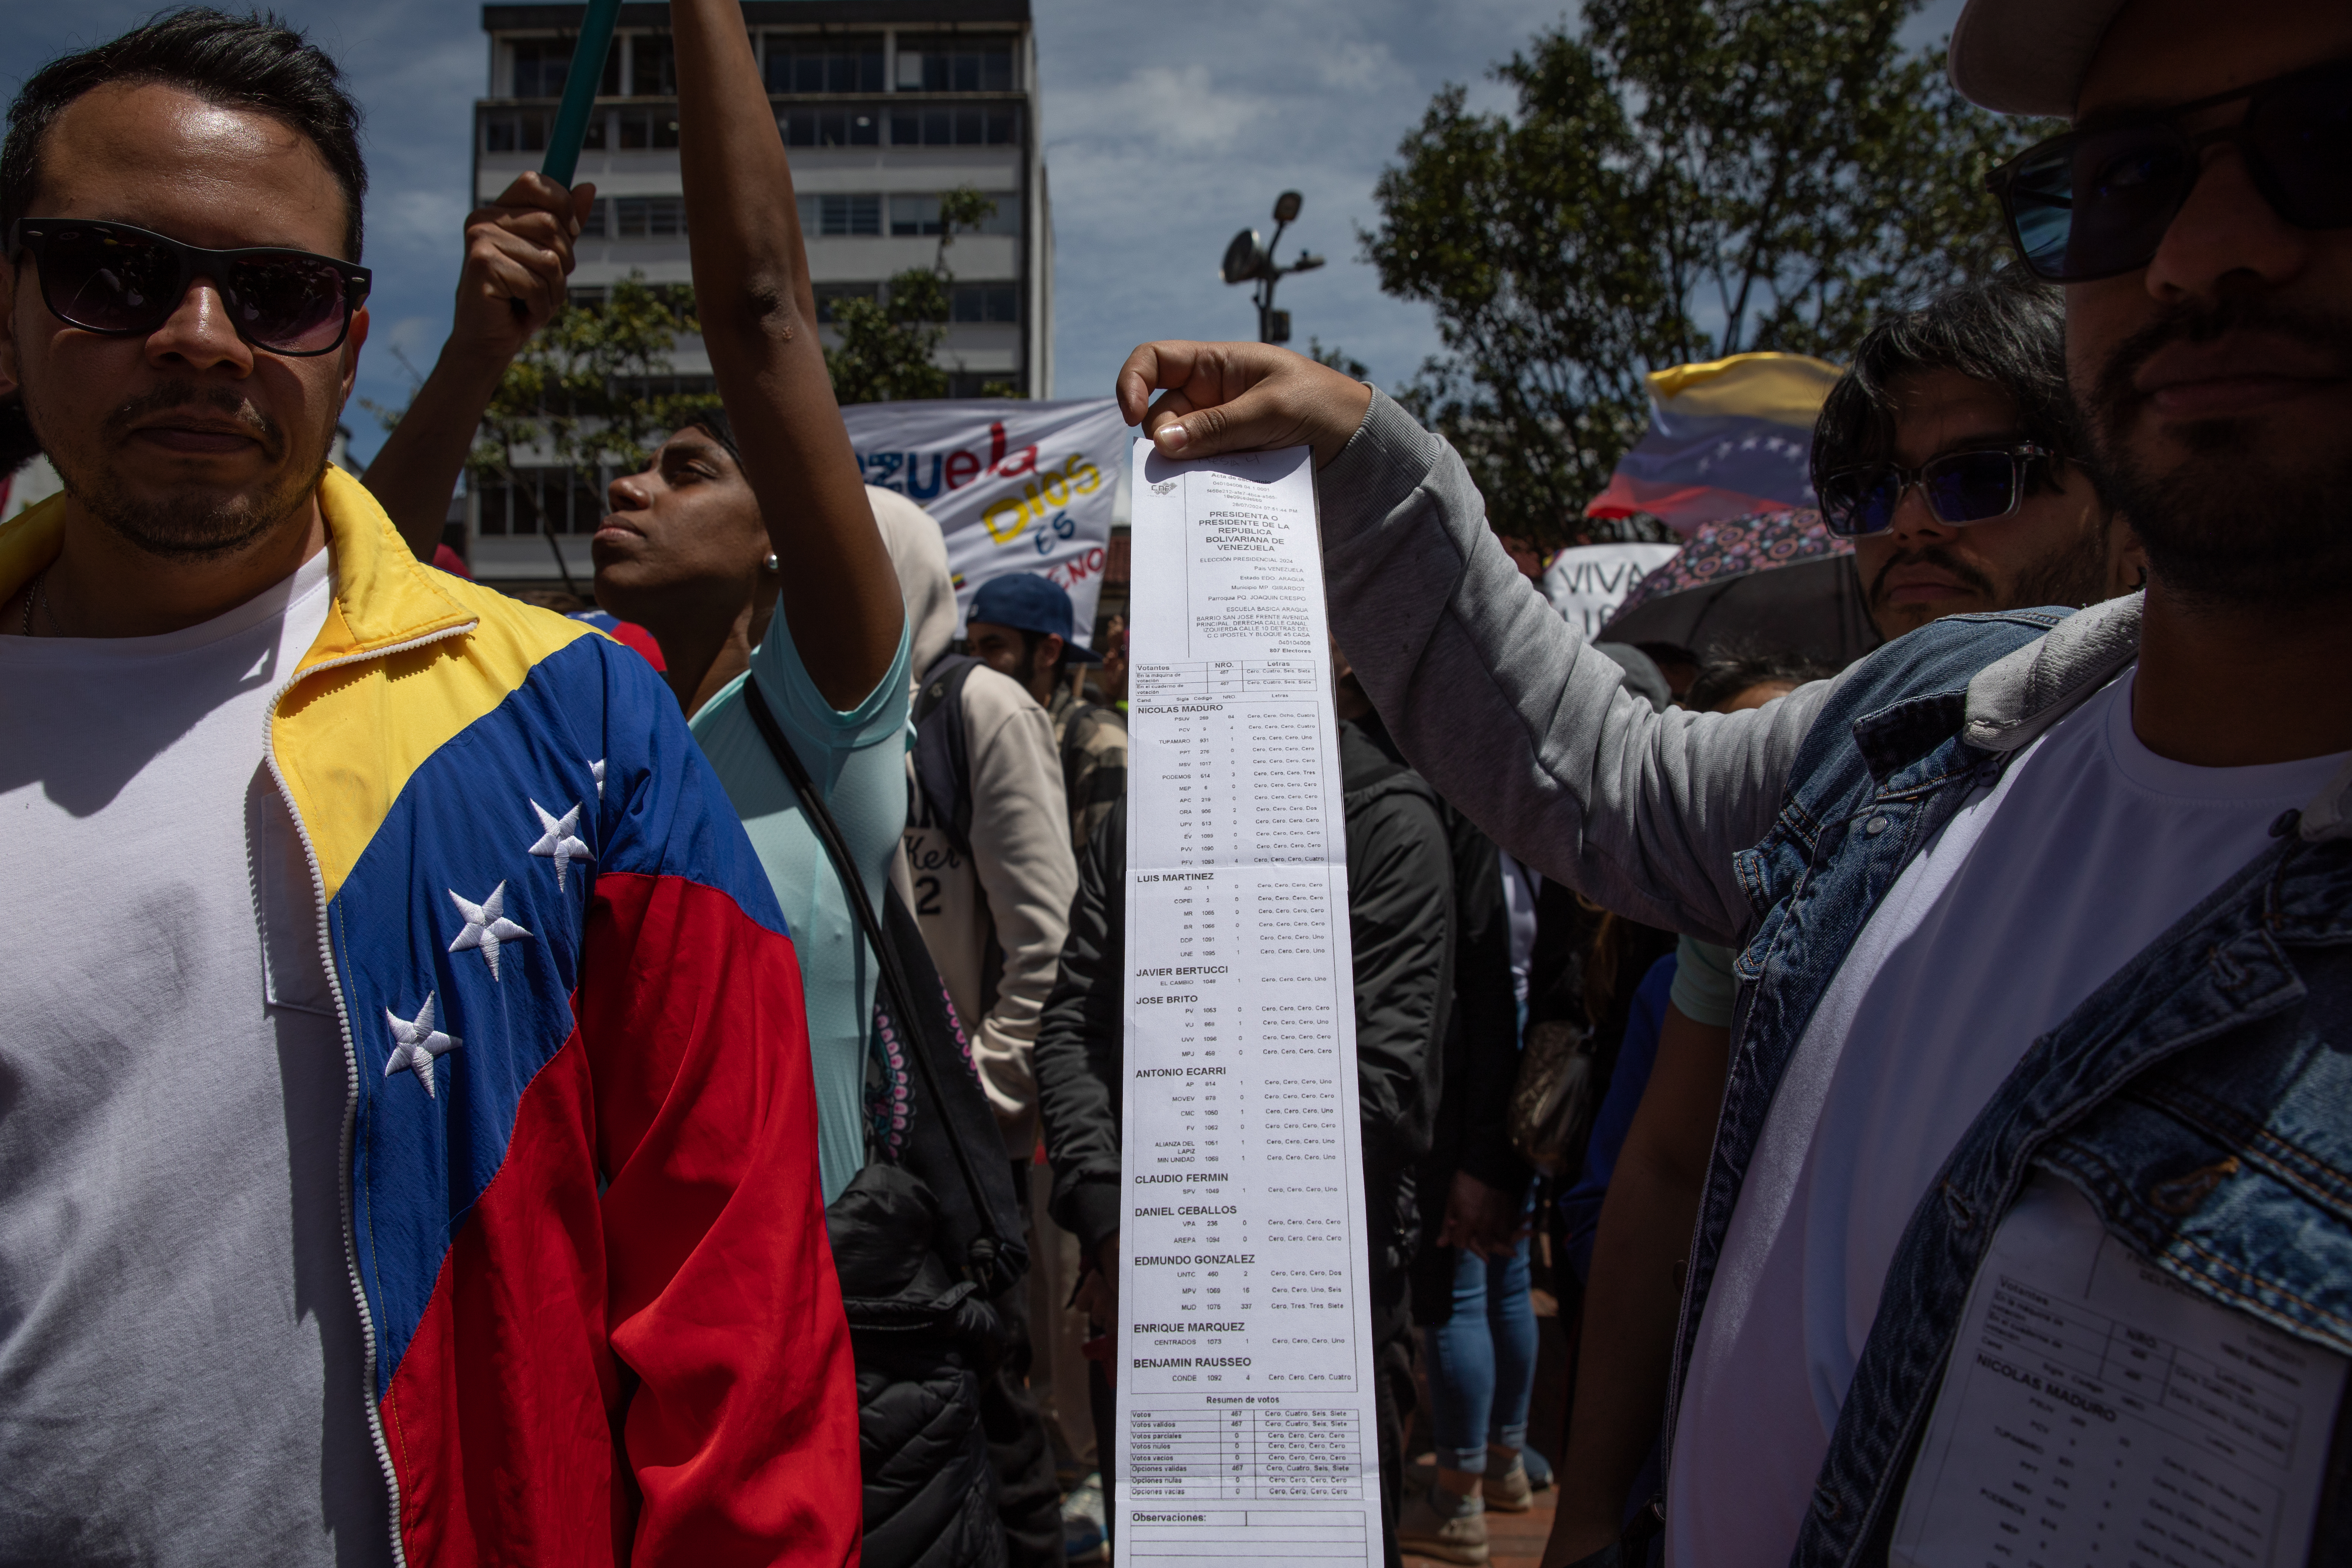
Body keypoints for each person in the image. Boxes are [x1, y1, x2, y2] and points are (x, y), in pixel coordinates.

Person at [1115, 3, 2352, 1562]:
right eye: (2124, 180)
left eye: (2323, 146)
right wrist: (1361, 454)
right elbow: (1605, 787)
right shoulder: (1924, 728)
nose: (2196, 252)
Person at [0, 10, 857, 1564]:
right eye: (112, 274)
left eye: (279, 292)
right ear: (8, 313)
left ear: (341, 334)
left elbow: (740, 1324)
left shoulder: (579, 723)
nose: (201, 334)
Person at [1036, 663, 1457, 1568]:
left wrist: (1191, 1227)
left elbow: (1383, 1086)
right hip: (1145, 1297)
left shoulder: (1388, 822)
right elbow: (1072, 1023)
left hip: (1319, 1305)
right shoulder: (1137, 817)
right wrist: (1114, 1219)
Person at [967, 570, 1129, 856]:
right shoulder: (972, 730)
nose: (975, 664)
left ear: (1048, 652)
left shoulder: (1097, 740)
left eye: (993, 647)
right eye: (971, 648)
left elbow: (1103, 878)